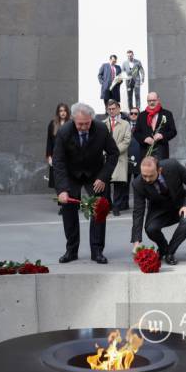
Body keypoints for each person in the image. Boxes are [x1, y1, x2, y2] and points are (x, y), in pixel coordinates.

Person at [53, 102, 119, 264]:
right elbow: (58, 161)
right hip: (71, 174)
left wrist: (103, 177)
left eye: (87, 123)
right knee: (68, 211)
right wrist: (62, 189)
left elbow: (113, 153)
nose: (84, 127)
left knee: (99, 210)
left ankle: (97, 251)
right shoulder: (64, 132)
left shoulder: (101, 129)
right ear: (73, 120)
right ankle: (71, 250)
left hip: (95, 173)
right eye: (80, 124)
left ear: (92, 119)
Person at [131, 157, 186, 265]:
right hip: (160, 210)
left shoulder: (172, 165)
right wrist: (136, 242)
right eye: (144, 175)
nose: (146, 179)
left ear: (159, 170)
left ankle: (170, 252)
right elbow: (138, 212)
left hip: (181, 205)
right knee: (150, 229)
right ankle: (163, 248)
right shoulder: (138, 184)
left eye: (150, 176)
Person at [103, 100, 131, 216]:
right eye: (109, 109)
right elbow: (99, 141)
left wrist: (114, 151)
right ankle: (108, 204)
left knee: (119, 184)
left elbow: (127, 140)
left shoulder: (125, 124)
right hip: (106, 158)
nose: (111, 111)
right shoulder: (103, 123)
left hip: (119, 157)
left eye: (113, 108)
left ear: (118, 109)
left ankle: (116, 206)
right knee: (106, 183)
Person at [134, 92, 177, 160]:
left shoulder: (167, 114)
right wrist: (144, 139)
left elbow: (173, 131)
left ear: (158, 100)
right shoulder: (142, 115)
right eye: (149, 101)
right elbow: (136, 133)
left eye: (154, 100)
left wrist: (162, 135)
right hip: (146, 152)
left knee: (161, 170)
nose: (151, 102)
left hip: (161, 152)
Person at [121, 105, 141, 210]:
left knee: (138, 182)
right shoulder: (124, 125)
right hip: (127, 156)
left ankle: (138, 204)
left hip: (138, 156)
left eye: (135, 113)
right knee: (125, 182)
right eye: (131, 113)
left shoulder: (142, 125)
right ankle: (124, 204)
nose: (133, 115)